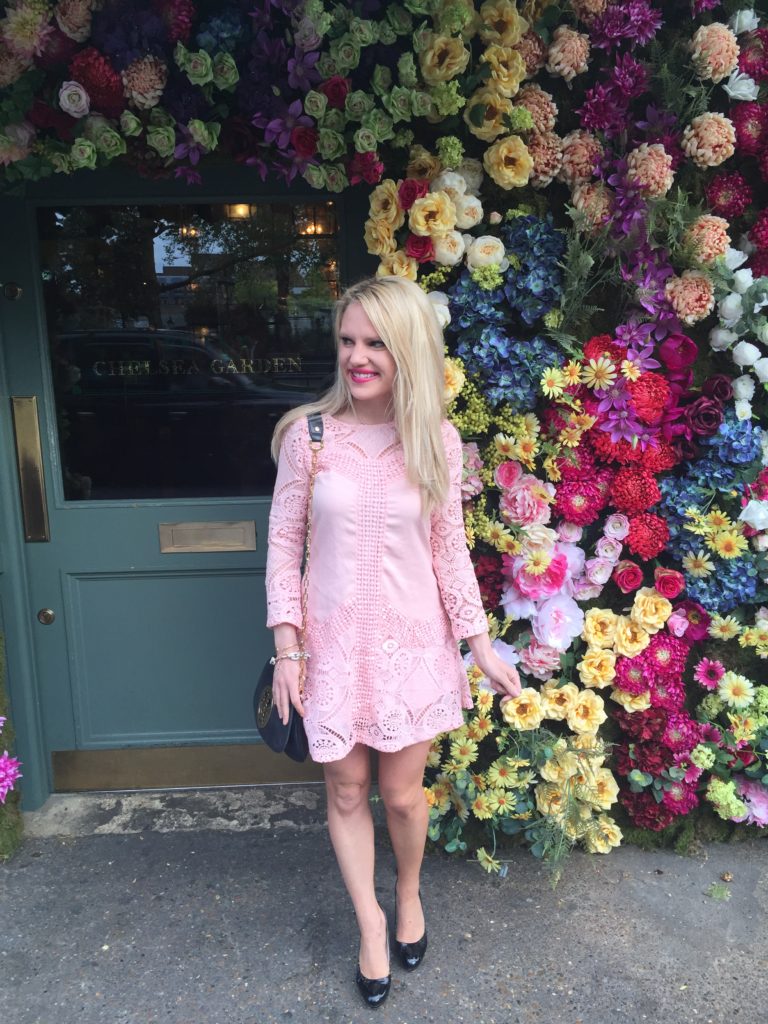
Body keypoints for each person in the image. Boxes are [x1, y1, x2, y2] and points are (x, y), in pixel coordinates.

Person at [265, 276, 521, 1009]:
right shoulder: (308, 436)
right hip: (330, 653)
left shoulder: (434, 439)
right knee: (345, 789)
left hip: (415, 650)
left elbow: (449, 552)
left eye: (375, 342)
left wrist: (479, 644)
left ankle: (409, 893)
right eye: (347, 340)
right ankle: (371, 925)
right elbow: (284, 548)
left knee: (404, 798)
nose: (358, 357)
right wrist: (288, 647)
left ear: (408, 349)